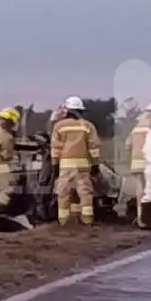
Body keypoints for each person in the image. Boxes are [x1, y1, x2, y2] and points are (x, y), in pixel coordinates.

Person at [51, 95, 102, 225]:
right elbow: (94, 148)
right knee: (85, 193)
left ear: (67, 110)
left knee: (63, 193)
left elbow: (56, 149)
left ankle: (64, 221)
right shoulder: (88, 126)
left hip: (65, 166)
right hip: (83, 166)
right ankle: (87, 220)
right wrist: (95, 165)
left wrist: (55, 166)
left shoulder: (59, 126)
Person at [125, 99, 151, 228]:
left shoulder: (138, 126)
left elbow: (128, 144)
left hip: (137, 163)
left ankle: (141, 218)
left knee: (140, 191)